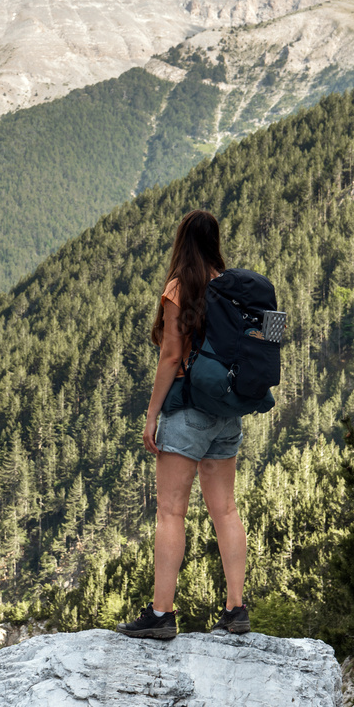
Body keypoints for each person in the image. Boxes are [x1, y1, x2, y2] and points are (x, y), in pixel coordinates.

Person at [116, 210, 250, 640]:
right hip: (226, 410)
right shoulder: (229, 286)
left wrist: (152, 415)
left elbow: (172, 355)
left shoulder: (179, 287)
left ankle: (161, 613)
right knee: (225, 510)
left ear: (182, 242)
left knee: (171, 511)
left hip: (188, 409)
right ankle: (235, 609)